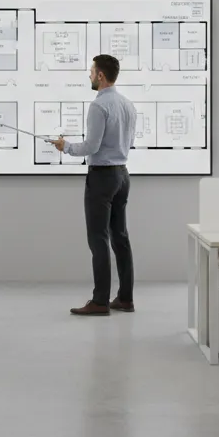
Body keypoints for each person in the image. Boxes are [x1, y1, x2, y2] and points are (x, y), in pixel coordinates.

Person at [53, 54, 137, 316]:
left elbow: (92, 147)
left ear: (101, 75)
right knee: (120, 238)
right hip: (122, 175)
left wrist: (65, 146)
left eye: (91, 71)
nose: (89, 75)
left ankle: (100, 301)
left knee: (98, 239)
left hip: (102, 177)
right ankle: (125, 299)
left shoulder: (99, 106)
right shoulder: (127, 104)